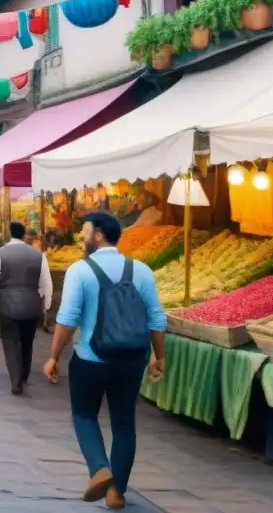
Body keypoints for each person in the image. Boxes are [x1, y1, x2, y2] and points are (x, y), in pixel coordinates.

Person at [44, 212, 166, 510]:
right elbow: (156, 318)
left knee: (85, 416)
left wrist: (53, 356)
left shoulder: (79, 270)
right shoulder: (141, 270)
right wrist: (158, 357)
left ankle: (100, 469)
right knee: (124, 424)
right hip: (132, 360)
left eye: (84, 231)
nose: (81, 236)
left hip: (90, 359)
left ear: (98, 234)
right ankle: (117, 492)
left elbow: (68, 318)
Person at [0, 220, 53, 395]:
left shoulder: (0, 254)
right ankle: (24, 375)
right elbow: (46, 283)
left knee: (11, 342)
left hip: (7, 304)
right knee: (27, 342)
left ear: (9, 234)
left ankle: (15, 379)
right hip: (32, 304)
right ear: (25, 236)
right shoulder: (39, 255)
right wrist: (46, 305)